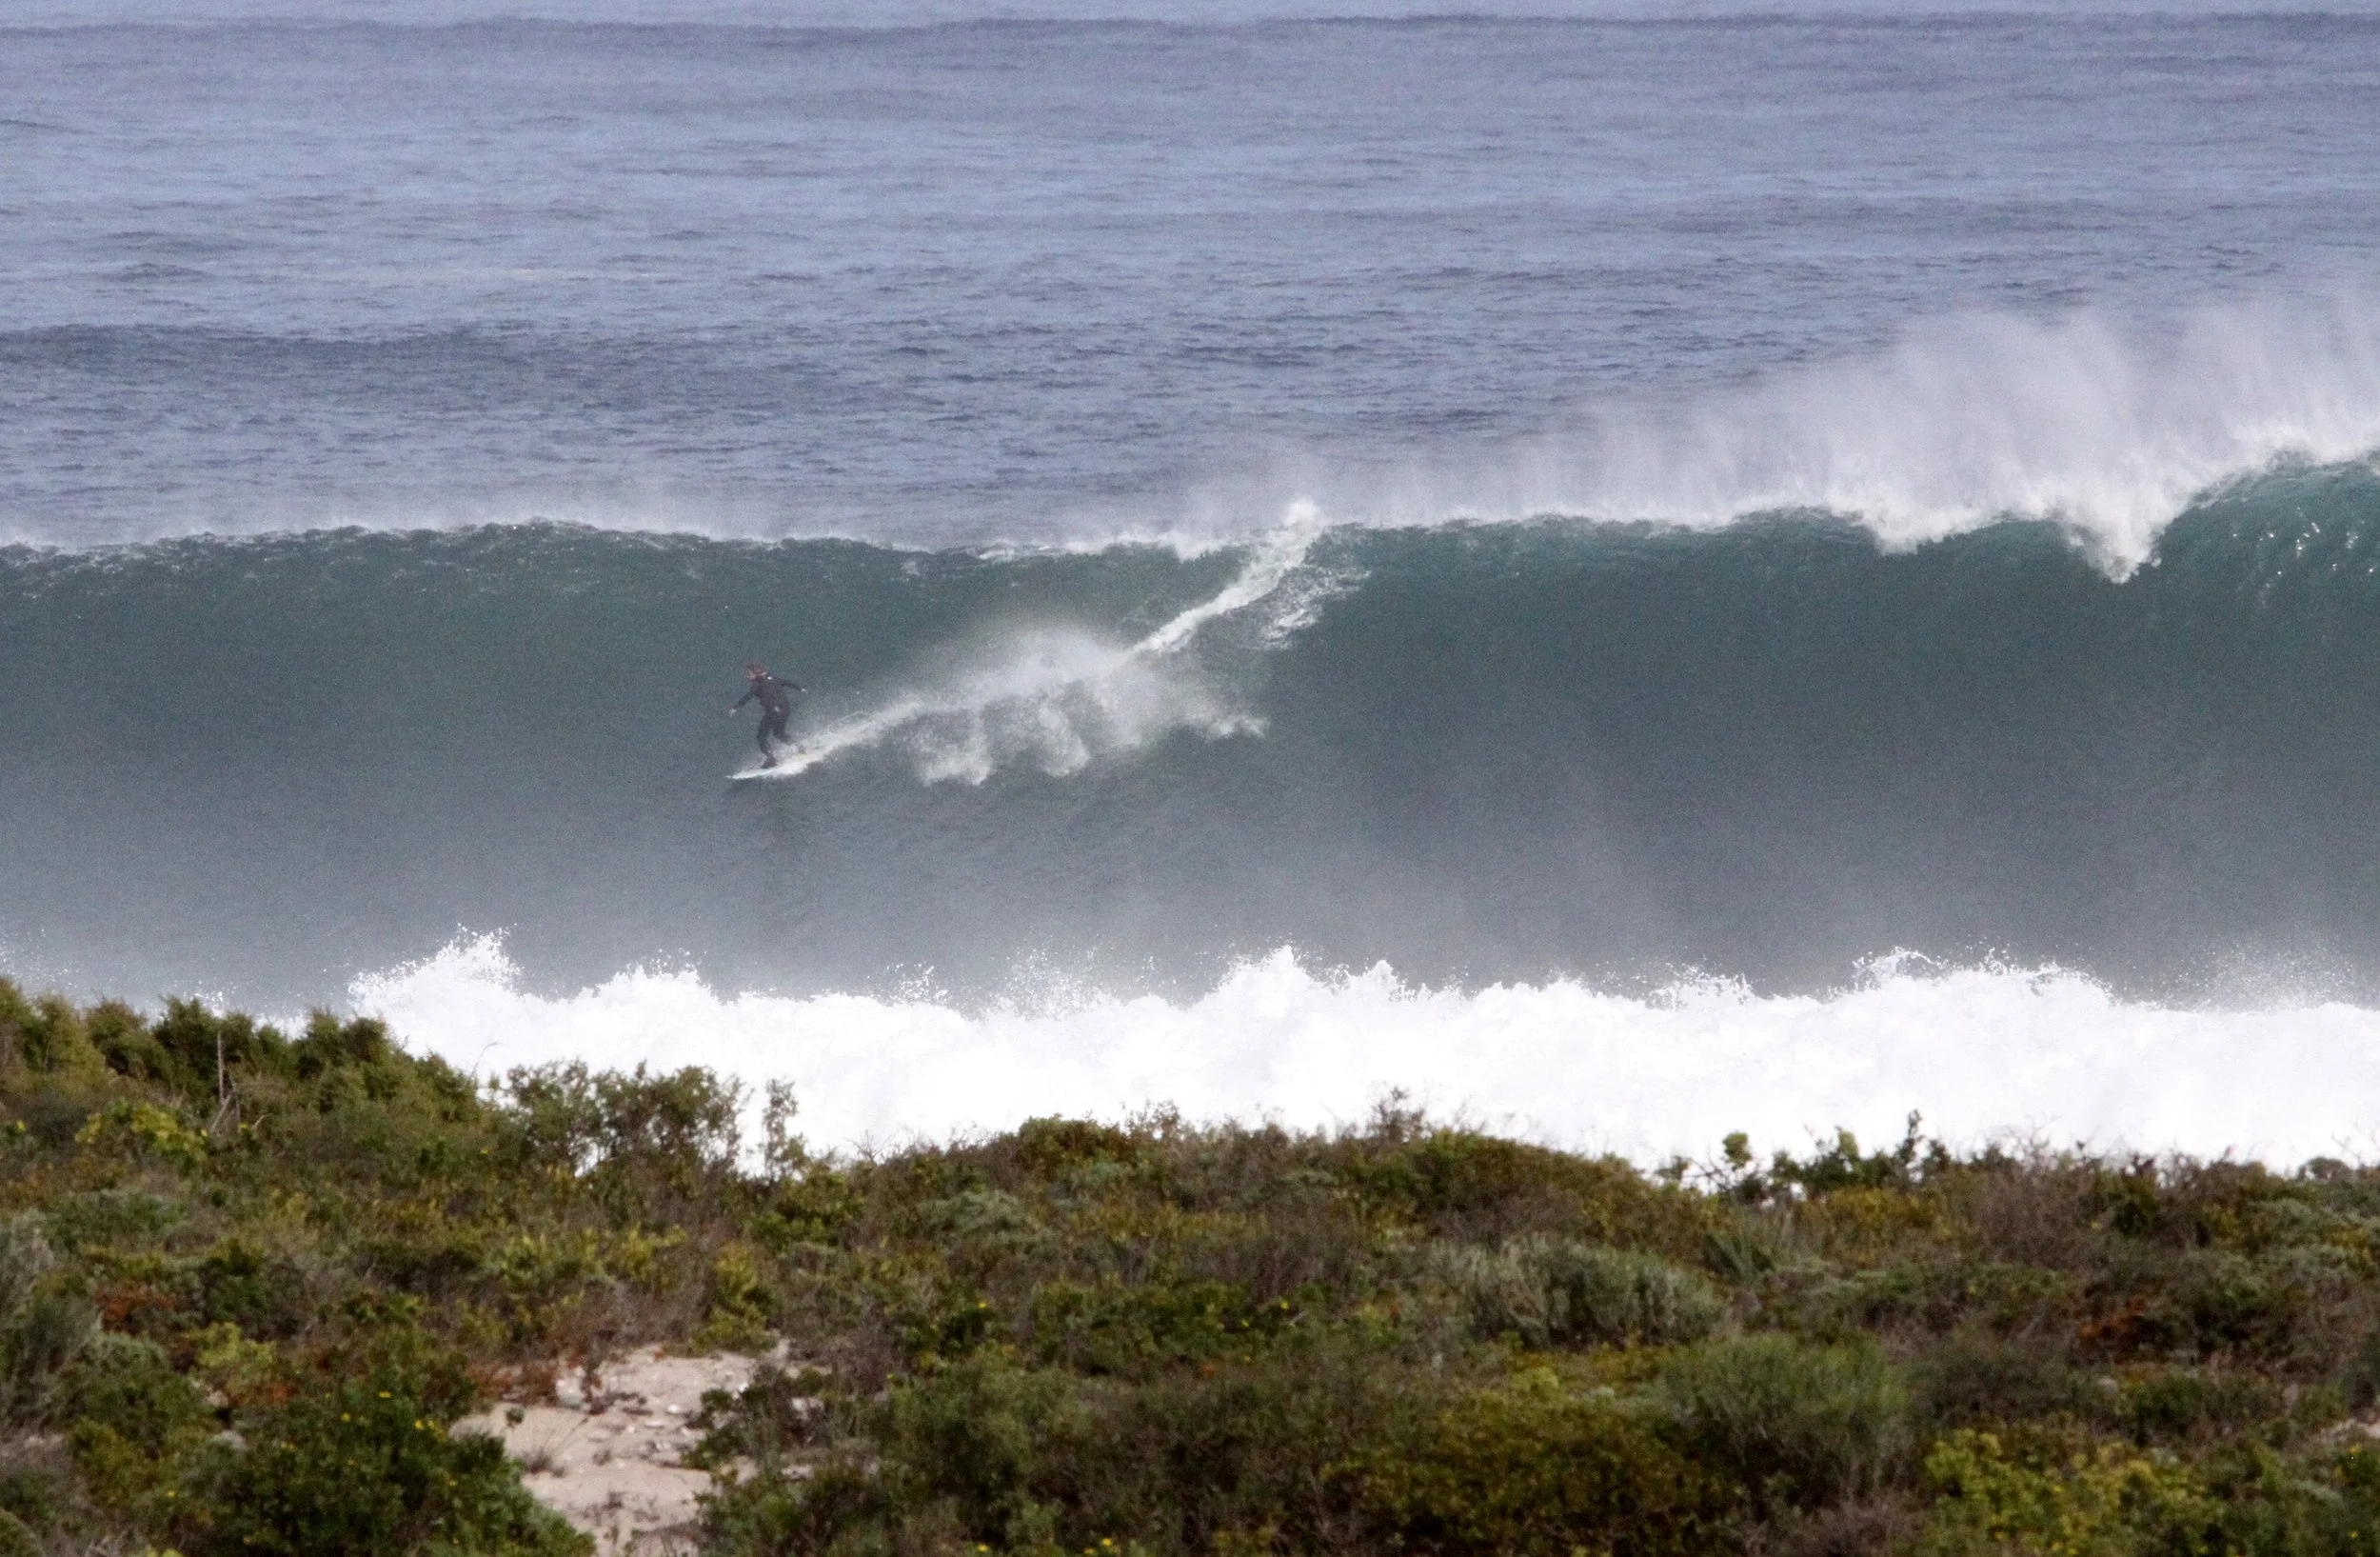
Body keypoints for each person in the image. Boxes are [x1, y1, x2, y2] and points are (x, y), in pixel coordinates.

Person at [730, 662, 805, 768]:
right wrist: (800, 688)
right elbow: (787, 682)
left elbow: (748, 696)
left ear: (756, 674)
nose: (747, 676)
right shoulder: (773, 678)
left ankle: (771, 759)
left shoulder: (757, 684)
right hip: (785, 710)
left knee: (761, 737)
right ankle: (800, 747)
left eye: (749, 673)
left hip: (773, 712)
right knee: (779, 734)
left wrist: (735, 708)